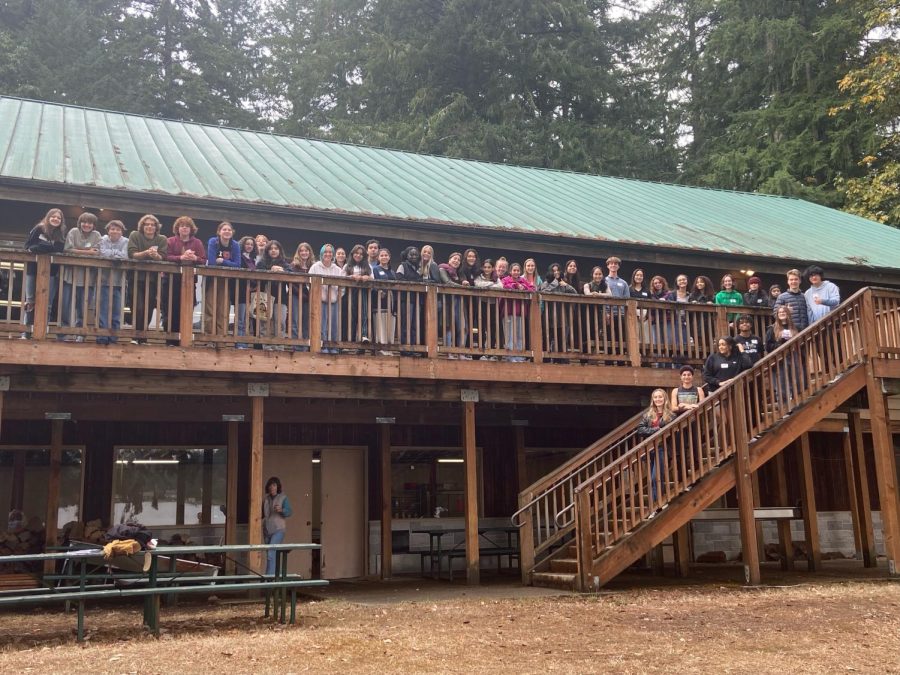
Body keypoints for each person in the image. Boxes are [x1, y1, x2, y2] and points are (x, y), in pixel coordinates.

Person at [21, 207, 67, 339]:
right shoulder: (39, 229)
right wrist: (47, 248)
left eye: (58, 218)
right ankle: (26, 332)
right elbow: (28, 246)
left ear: (61, 221)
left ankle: (43, 332)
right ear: (48, 217)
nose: (55, 219)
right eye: (53, 216)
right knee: (30, 301)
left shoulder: (60, 234)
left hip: (51, 272)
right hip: (33, 270)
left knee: (48, 303)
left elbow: (59, 249)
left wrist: (41, 247)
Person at [127, 214, 168, 344]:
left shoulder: (161, 239)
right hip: (136, 277)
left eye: (152, 225)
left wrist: (155, 255)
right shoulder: (135, 235)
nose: (150, 227)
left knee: (149, 307)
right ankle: (135, 336)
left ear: (156, 227)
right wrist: (145, 253)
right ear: (142, 226)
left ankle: (143, 337)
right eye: (147, 224)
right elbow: (132, 254)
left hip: (153, 279)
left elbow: (162, 257)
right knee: (137, 307)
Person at [60, 212, 101, 341]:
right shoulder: (73, 232)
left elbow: (98, 252)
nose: (87, 225)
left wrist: (78, 250)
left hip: (87, 278)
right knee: (65, 305)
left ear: (93, 225)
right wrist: (88, 252)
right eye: (84, 222)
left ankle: (80, 334)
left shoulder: (97, 235)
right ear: (80, 222)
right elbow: (67, 249)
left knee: (83, 307)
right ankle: (63, 332)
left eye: (90, 222)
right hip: (69, 276)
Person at [166, 215, 206, 346]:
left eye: (187, 226)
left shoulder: (197, 243)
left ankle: (185, 339)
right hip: (172, 281)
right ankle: (171, 340)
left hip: (189, 281)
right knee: (171, 310)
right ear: (177, 228)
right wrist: (181, 257)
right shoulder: (170, 241)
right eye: (182, 226)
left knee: (188, 309)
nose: (184, 228)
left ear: (191, 229)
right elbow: (166, 256)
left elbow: (203, 260)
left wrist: (195, 258)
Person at [636, 388, 676, 505]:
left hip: (662, 448)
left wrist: (656, 431)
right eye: (655, 397)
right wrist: (656, 430)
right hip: (649, 449)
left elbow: (670, 430)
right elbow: (640, 429)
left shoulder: (671, 415)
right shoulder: (648, 415)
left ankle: (658, 503)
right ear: (653, 400)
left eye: (660, 397)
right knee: (653, 479)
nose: (658, 399)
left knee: (656, 477)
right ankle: (658, 503)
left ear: (665, 399)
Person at [204, 221, 240, 343]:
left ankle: (221, 338)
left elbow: (238, 265)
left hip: (226, 281)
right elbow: (212, 262)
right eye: (224, 229)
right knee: (210, 308)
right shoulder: (213, 242)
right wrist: (221, 262)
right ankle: (209, 337)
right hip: (212, 279)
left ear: (232, 232)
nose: (227, 232)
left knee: (223, 310)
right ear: (219, 232)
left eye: (229, 230)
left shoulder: (234, 245)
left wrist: (223, 261)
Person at [96, 220, 129, 345]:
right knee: (102, 311)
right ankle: (102, 337)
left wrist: (111, 255)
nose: (115, 231)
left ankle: (114, 338)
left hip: (119, 282)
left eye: (118, 229)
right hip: (103, 281)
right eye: (112, 229)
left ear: (122, 231)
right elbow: (102, 253)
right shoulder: (103, 239)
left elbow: (125, 256)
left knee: (117, 311)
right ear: (108, 230)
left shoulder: (126, 241)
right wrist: (116, 254)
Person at [309, 243, 345, 353]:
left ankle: (333, 347)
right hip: (319, 301)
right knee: (321, 325)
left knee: (334, 325)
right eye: (325, 252)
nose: (328, 254)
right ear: (321, 254)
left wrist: (338, 296)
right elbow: (309, 283)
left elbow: (342, 286)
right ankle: (322, 347)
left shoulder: (337, 269)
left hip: (334, 302)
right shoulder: (315, 267)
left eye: (330, 252)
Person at [256, 239, 292, 346]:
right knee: (264, 321)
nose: (273, 251)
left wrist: (282, 270)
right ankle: (266, 345)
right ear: (267, 251)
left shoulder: (284, 263)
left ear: (279, 251)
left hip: (281, 297)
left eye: (276, 249)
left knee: (280, 322)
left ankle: (279, 345)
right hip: (264, 295)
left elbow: (291, 272)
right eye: (271, 249)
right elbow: (258, 274)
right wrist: (270, 269)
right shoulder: (262, 262)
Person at [766, 305, 800, 405]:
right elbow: (768, 346)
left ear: (788, 314)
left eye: (784, 312)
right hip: (779, 358)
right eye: (780, 312)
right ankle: (784, 407)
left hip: (793, 356)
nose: (782, 313)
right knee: (781, 383)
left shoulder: (795, 327)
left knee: (795, 380)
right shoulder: (771, 329)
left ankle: (796, 403)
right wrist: (779, 341)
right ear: (777, 315)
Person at [500, 262, 534, 361]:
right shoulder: (505, 280)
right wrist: (515, 285)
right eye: (514, 270)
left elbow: (532, 289)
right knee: (509, 334)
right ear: (510, 271)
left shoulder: (523, 280)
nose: (516, 272)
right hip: (508, 311)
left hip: (521, 312)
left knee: (519, 334)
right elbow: (504, 286)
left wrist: (523, 287)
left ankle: (519, 355)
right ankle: (510, 355)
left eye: (518, 270)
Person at [438, 251, 468, 356]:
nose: (456, 261)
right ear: (449, 260)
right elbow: (447, 282)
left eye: (458, 260)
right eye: (454, 258)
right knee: (449, 326)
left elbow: (465, 282)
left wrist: (465, 283)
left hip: (459, 301)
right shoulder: (442, 269)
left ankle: (461, 353)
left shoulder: (460, 274)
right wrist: (462, 287)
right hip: (448, 301)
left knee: (463, 327)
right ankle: (448, 352)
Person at [394, 246, 423, 352]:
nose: (414, 256)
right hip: (405, 300)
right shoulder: (403, 266)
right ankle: (405, 348)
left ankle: (412, 348)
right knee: (406, 324)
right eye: (411, 254)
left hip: (416, 299)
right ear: (406, 255)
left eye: (416, 254)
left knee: (415, 325)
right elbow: (399, 279)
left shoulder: (419, 268)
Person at [262, 476, 292, 576]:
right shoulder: (266, 499)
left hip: (278, 530)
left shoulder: (283, 498)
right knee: (270, 555)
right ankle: (274, 577)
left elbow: (289, 512)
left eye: (274, 485)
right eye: (270, 485)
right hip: (267, 530)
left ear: (277, 486)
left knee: (271, 552)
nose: (272, 487)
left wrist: (282, 510)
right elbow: (261, 514)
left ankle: (268, 580)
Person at [343, 244, 372, 344]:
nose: (358, 255)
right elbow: (341, 277)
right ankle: (350, 338)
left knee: (364, 313)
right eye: (356, 253)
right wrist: (352, 277)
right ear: (352, 254)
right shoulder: (347, 266)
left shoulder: (368, 266)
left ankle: (364, 335)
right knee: (351, 315)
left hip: (363, 292)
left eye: (361, 254)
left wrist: (367, 278)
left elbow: (373, 277)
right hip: (350, 292)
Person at [473, 258, 502, 356]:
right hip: (482, 303)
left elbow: (500, 287)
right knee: (481, 327)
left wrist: (487, 285)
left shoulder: (496, 277)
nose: (487, 269)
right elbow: (477, 284)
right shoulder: (479, 277)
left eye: (489, 267)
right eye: (485, 267)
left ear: (493, 268)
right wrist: (490, 284)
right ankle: (481, 350)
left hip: (493, 304)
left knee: (492, 327)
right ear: (482, 268)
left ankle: (490, 350)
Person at [372, 248, 397, 351]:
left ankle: (389, 347)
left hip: (390, 301)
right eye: (382, 255)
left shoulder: (392, 271)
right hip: (379, 301)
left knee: (390, 323)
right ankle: (381, 347)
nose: (384, 257)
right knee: (380, 323)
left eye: (386, 255)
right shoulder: (375, 269)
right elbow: (373, 283)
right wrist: (379, 291)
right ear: (378, 257)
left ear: (389, 257)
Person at [235, 235, 257, 348]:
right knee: (240, 319)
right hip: (241, 291)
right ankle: (239, 342)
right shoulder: (239, 257)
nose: (249, 246)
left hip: (251, 292)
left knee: (247, 319)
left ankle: (244, 341)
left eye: (251, 244)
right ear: (243, 245)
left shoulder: (253, 259)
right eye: (247, 244)